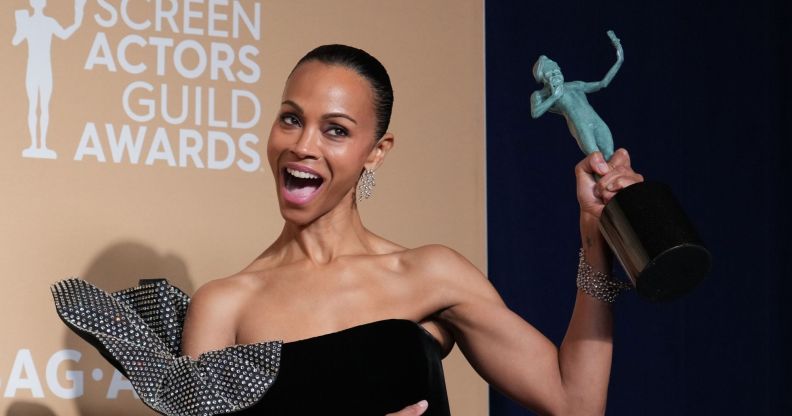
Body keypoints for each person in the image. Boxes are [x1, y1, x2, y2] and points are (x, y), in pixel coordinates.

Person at [53, 44, 643, 415]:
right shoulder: (224, 304)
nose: (302, 145)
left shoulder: (430, 273)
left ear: (376, 151)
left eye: (335, 129)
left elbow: (575, 402)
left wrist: (595, 237)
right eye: (291, 119)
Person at [530, 30, 623, 161]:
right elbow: (535, 113)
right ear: (544, 79)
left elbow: (603, 84)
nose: (556, 75)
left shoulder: (575, 85)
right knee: (598, 162)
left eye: (557, 71)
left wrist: (619, 60)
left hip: (597, 121)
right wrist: (554, 96)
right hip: (582, 127)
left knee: (610, 157)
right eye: (551, 74)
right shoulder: (541, 95)